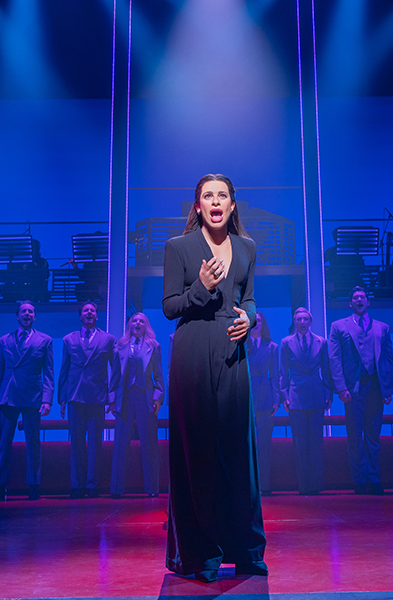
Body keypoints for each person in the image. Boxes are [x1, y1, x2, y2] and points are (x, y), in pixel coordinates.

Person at [162, 174, 266, 582]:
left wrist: (250, 318)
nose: (216, 201)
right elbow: (170, 307)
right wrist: (200, 288)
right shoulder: (179, 247)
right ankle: (200, 554)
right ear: (198, 205)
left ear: (232, 204)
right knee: (197, 452)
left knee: (239, 452)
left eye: (222, 195)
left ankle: (246, 550)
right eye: (208, 196)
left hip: (232, 351)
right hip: (192, 351)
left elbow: (249, 298)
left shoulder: (247, 247)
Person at [329, 286, 393, 495]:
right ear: (350, 303)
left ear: (368, 301)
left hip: (375, 386)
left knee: (374, 436)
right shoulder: (338, 326)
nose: (359, 300)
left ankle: (374, 479)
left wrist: (387, 389)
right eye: (355, 297)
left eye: (362, 297)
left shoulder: (382, 328)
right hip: (353, 388)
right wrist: (341, 387)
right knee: (355, 436)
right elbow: (334, 359)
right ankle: (359, 479)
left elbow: (388, 359)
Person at [0, 301, 54, 501]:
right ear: (17, 316)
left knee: (33, 443)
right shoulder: (4, 340)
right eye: (24, 311)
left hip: (32, 396)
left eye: (30, 311)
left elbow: (49, 373)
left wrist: (47, 400)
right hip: (8, 396)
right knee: (4, 443)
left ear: (35, 316)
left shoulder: (45, 340)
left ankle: (33, 485)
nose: (27, 314)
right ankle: (0, 486)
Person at [58, 301, 119, 499]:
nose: (89, 313)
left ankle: (92, 485)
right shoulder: (68, 339)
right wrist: (62, 398)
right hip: (75, 396)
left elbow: (116, 371)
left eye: (92, 310)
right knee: (76, 444)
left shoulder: (108, 339)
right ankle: (77, 485)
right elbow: (64, 370)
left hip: (97, 397)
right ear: (80, 316)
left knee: (95, 444)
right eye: (86, 310)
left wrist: (112, 398)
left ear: (97, 316)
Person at [279, 307, 333, 496]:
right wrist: (284, 395)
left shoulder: (321, 341)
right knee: (300, 444)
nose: (302, 322)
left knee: (316, 442)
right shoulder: (286, 342)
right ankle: (303, 486)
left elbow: (326, 370)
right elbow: (283, 371)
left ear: (310, 322)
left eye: (305, 319)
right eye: (299, 319)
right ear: (295, 322)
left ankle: (316, 485)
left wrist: (328, 393)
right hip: (296, 395)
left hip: (317, 394)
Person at [110, 312, 164, 498]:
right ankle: (116, 489)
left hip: (145, 397)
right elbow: (115, 375)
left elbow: (158, 375)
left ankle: (152, 488)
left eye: (141, 321)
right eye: (135, 321)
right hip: (124, 397)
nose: (138, 323)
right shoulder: (120, 345)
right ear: (130, 325)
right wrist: (111, 399)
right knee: (120, 443)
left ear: (146, 325)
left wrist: (158, 397)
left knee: (149, 443)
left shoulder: (153, 346)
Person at [247, 313, 281, 495]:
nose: (256, 323)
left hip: (266, 397)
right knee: (245, 443)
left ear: (263, 324)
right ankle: (247, 485)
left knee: (264, 444)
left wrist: (276, 399)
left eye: (259, 320)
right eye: (253, 320)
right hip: (246, 395)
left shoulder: (272, 347)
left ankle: (264, 485)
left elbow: (275, 375)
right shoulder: (241, 345)